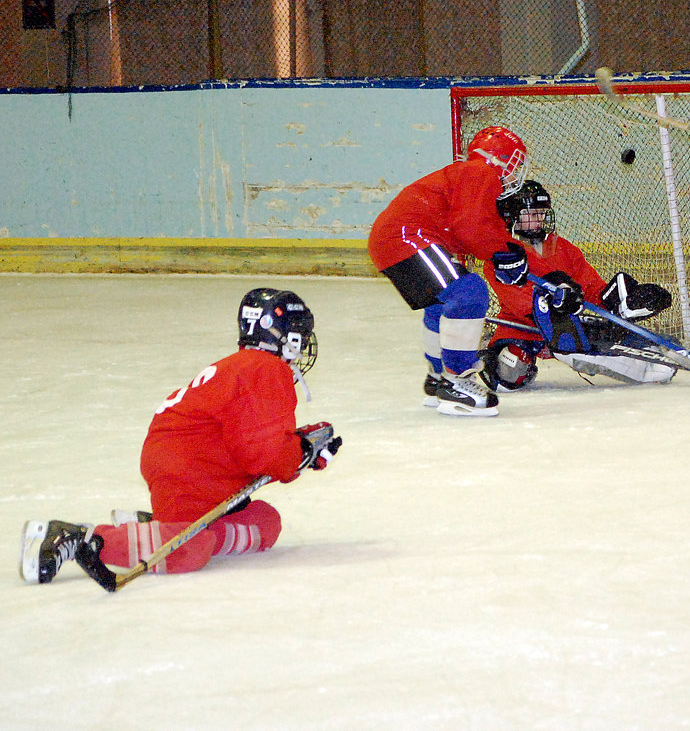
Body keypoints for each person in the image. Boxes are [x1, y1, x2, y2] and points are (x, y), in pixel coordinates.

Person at [19, 287, 342, 586]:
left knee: (264, 524)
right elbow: (263, 455)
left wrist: (302, 450)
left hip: (195, 466)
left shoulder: (249, 367)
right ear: (280, 333)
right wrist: (301, 451)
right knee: (191, 550)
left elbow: (254, 441)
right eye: (300, 329)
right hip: (187, 469)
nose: (304, 338)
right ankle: (80, 538)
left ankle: (156, 531)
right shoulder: (264, 370)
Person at [368, 125, 535, 417]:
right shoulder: (482, 173)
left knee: (442, 302)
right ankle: (457, 379)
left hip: (393, 239)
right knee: (469, 291)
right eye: (514, 163)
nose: (515, 171)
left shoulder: (467, 175)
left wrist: (507, 251)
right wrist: (503, 253)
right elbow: (471, 227)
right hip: (408, 237)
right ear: (499, 158)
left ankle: (438, 377)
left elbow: (478, 226)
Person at [476, 180, 675, 389]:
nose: (538, 220)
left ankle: (646, 360)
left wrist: (622, 299)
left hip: (566, 325)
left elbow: (590, 287)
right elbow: (519, 302)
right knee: (509, 373)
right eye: (531, 214)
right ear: (513, 217)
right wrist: (551, 302)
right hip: (522, 329)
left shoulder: (563, 248)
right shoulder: (503, 256)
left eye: (541, 213)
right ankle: (498, 361)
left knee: (580, 338)